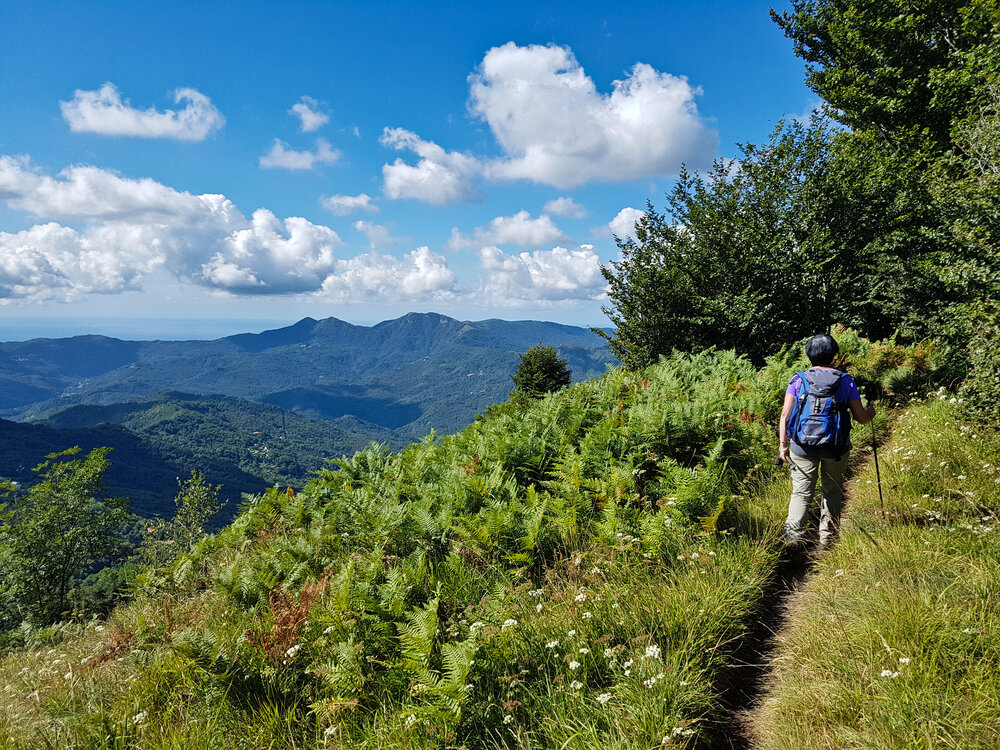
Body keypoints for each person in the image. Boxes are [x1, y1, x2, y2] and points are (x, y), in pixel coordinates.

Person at [778, 333, 875, 549]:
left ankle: (793, 541)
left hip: (801, 446)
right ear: (833, 355)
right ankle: (828, 542)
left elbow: (785, 415)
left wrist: (783, 445)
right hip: (836, 447)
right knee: (831, 491)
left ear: (809, 355)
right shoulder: (845, 381)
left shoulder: (798, 379)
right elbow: (861, 418)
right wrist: (871, 412)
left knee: (801, 493)